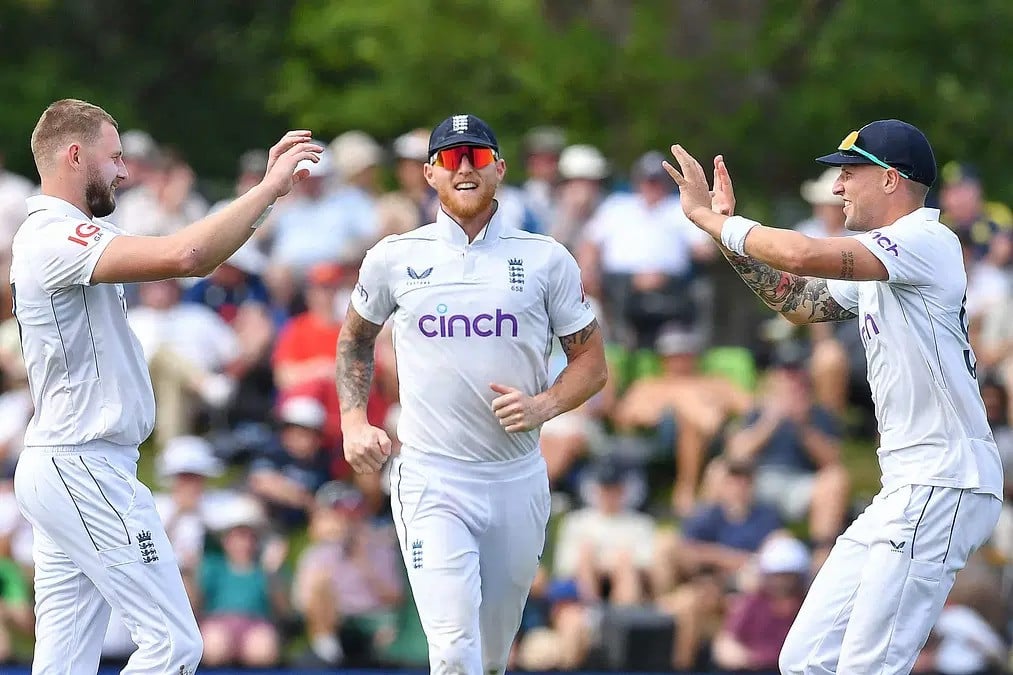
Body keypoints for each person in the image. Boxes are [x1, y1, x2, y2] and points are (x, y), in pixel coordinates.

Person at [662, 119, 1003, 674]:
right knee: (805, 658)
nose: (837, 187)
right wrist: (721, 232)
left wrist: (711, 219)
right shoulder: (882, 259)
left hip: (944, 479)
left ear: (891, 180)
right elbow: (797, 300)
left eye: (848, 173)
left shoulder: (925, 239)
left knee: (867, 666)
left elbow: (799, 256)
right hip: (907, 484)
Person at [10, 98, 321, 675]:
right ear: (75, 156)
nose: (125, 172)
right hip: (83, 466)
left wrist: (258, 198)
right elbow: (189, 254)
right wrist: (269, 190)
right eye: (115, 157)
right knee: (175, 647)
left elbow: (192, 247)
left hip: (71, 465)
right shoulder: (52, 237)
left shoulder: (73, 233)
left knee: (63, 665)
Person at [336, 113, 608, 675]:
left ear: (500, 170)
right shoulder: (394, 256)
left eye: (478, 156)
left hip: (517, 479)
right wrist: (354, 420)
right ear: (430, 172)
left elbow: (593, 365)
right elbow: (354, 342)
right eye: (451, 158)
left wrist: (544, 406)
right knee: (454, 653)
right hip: (433, 477)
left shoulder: (546, 258)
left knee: (489, 658)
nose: (465, 167)